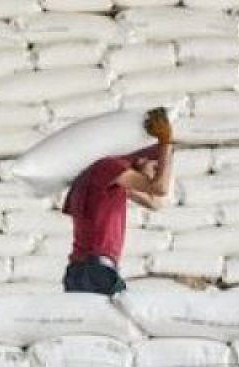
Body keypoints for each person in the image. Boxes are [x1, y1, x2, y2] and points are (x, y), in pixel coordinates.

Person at [62, 107, 175, 296]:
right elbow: (159, 188)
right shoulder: (107, 168)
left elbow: (155, 203)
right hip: (95, 272)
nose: (154, 173)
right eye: (154, 167)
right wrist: (165, 143)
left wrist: (165, 155)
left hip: (81, 272)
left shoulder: (101, 179)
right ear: (141, 157)